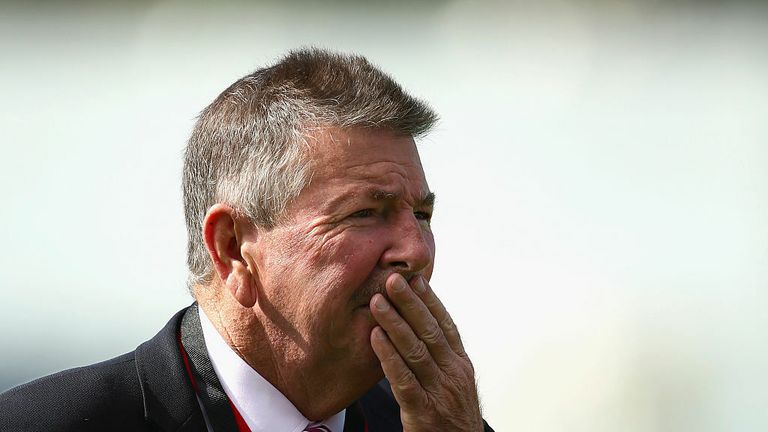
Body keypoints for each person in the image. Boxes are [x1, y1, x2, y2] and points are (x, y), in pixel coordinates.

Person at [0, 48, 493, 432]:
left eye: (422, 215)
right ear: (233, 248)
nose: (415, 250)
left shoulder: (438, 424)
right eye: (366, 213)